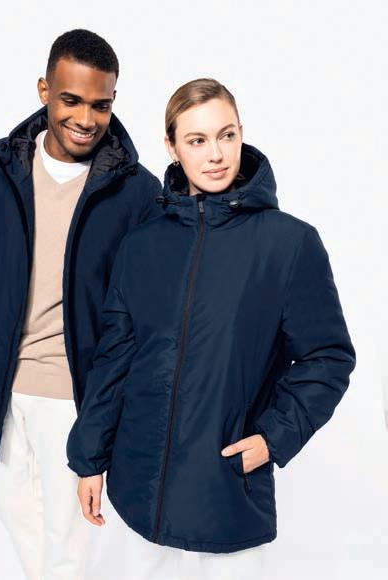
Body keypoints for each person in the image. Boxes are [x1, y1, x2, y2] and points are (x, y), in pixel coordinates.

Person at [66, 78, 356, 579]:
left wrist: (272, 439)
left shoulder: (289, 245)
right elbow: (113, 362)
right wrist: (89, 459)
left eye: (226, 135)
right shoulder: (142, 246)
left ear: (241, 132)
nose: (216, 154)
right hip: (135, 497)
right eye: (197, 140)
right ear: (172, 147)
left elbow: (328, 358)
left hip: (224, 498)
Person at [0, 29, 162, 580]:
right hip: (0, 390)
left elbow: (144, 314)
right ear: (44, 90)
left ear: (113, 101)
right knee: (23, 535)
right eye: (71, 100)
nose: (85, 118)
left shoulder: (138, 191)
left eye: (100, 104)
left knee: (69, 552)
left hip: (78, 399)